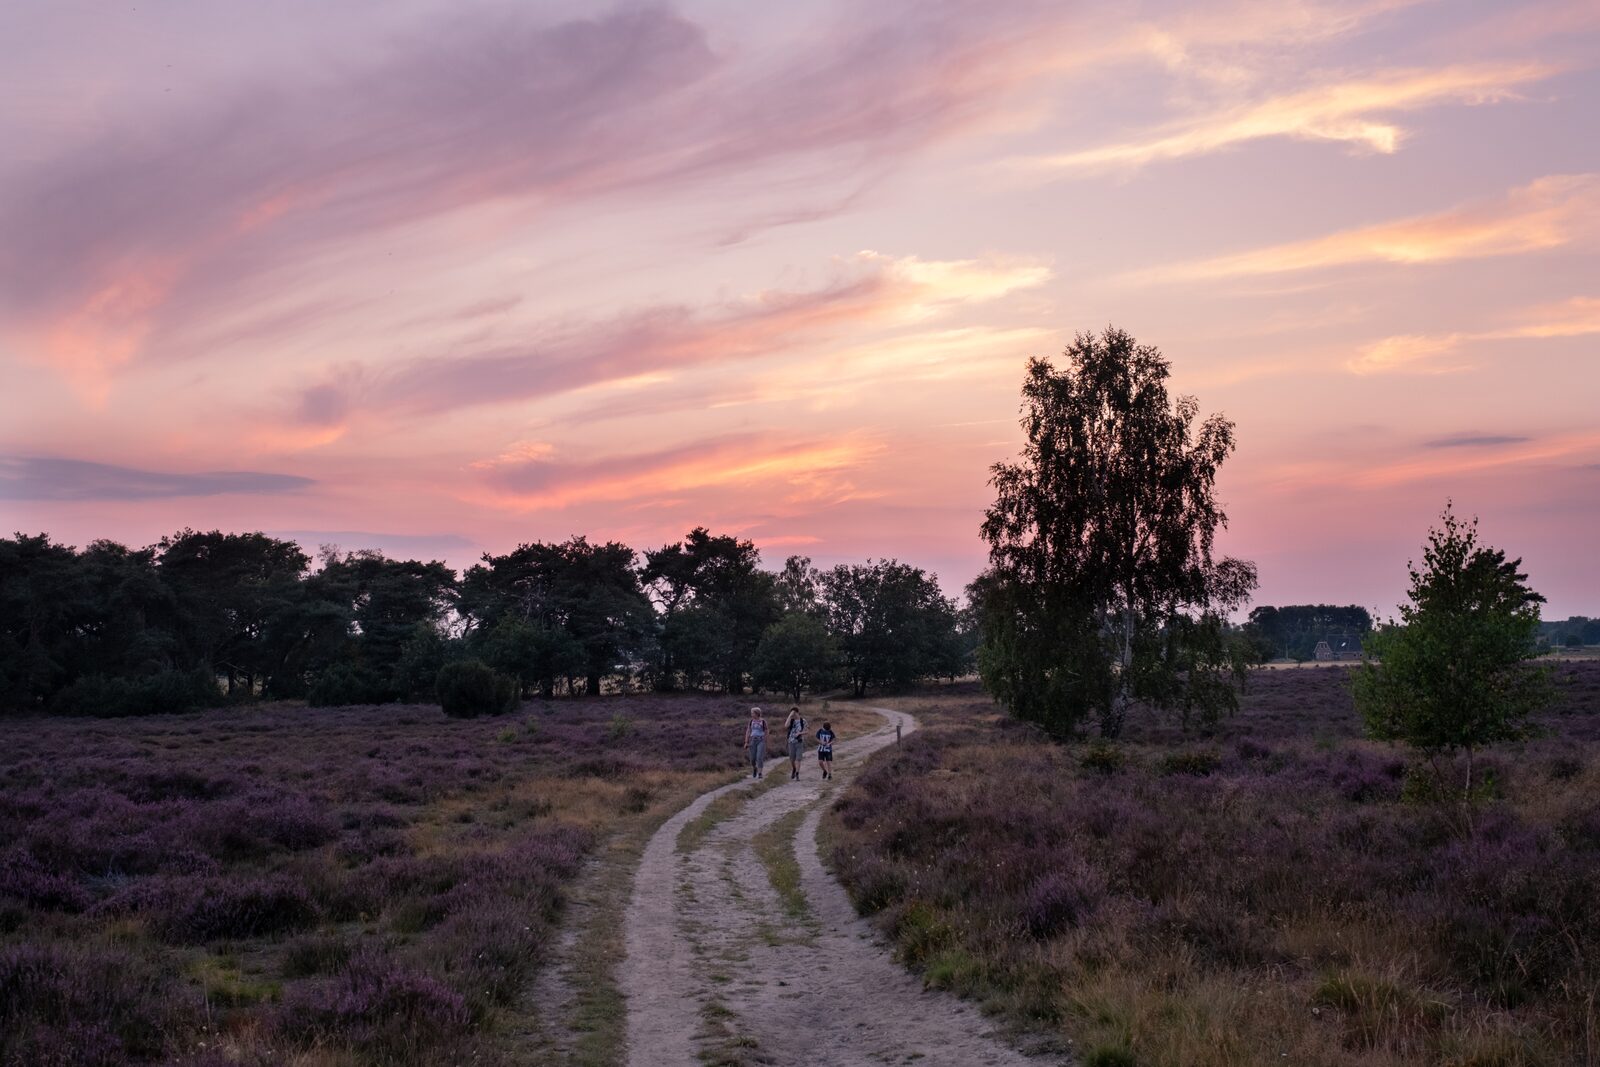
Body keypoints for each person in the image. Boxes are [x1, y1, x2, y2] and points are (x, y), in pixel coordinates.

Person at [743, 706, 767, 778]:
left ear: (757, 713)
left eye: (752, 713)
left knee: (759, 757)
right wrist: (746, 741)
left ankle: (760, 773)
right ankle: (754, 768)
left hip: (761, 740)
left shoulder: (763, 721)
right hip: (752, 740)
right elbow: (748, 731)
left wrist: (765, 738)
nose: (751, 714)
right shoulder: (751, 721)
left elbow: (766, 730)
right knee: (752, 758)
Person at [783, 706, 806, 780]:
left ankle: (797, 774)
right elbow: (786, 726)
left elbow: (807, 730)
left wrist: (800, 733)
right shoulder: (791, 720)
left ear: (797, 712)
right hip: (791, 741)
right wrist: (790, 716)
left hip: (799, 741)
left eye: (794, 713)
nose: (793, 715)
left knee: (798, 758)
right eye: (792, 713)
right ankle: (794, 768)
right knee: (792, 759)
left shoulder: (803, 721)